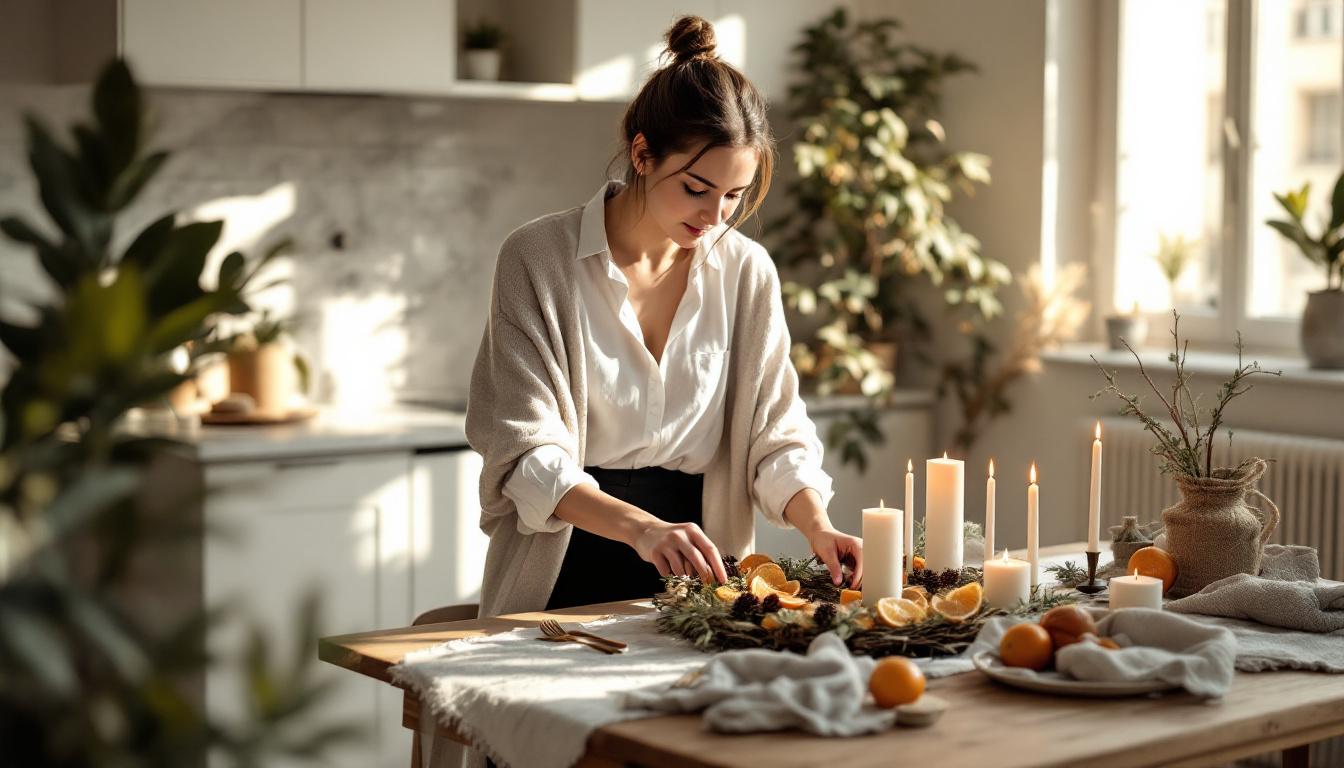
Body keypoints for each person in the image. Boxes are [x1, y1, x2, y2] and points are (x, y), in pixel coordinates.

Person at [466, 15, 863, 618]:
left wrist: (818, 526)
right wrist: (643, 530)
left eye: (735, 195)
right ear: (643, 155)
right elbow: (523, 453)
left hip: (701, 569)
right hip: (564, 556)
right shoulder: (538, 259)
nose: (715, 214)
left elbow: (774, 434)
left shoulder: (745, 271)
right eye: (697, 188)